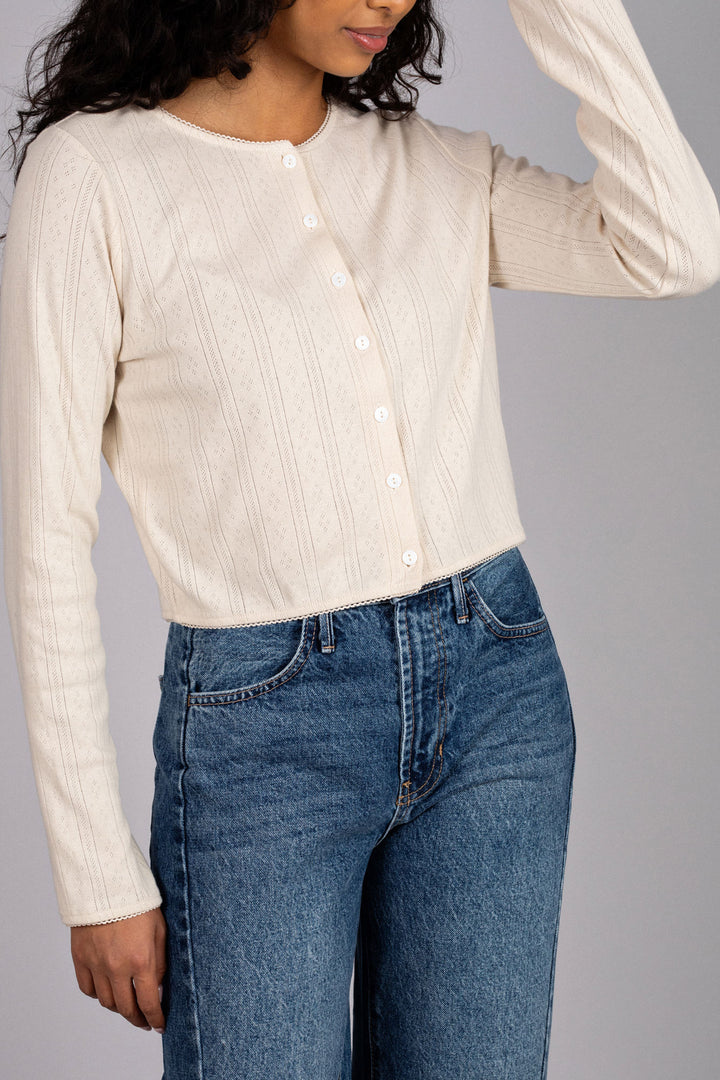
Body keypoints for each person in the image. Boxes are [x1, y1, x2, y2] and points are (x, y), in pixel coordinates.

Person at [0, 0, 718, 1076]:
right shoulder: (94, 176)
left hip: (498, 698)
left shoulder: (431, 168)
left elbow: (673, 245)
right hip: (260, 733)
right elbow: (43, 534)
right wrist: (95, 870)